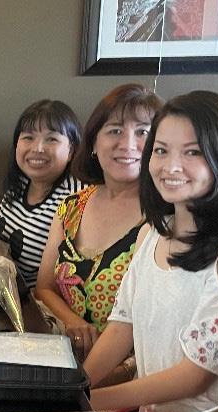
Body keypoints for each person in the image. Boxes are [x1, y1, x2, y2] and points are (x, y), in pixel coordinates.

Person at [83, 90, 218, 412]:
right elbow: (122, 326)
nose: (170, 166)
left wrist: (95, 400)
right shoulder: (152, 233)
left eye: (192, 152)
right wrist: (78, 386)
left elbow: (192, 378)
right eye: (161, 150)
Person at [35, 84, 163, 367]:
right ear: (93, 142)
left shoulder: (164, 218)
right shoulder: (72, 206)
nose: (128, 144)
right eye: (115, 130)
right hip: (68, 361)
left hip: (133, 375)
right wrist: (73, 322)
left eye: (143, 132)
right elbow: (44, 288)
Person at [0, 99, 84, 288]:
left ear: (71, 150)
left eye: (51, 139)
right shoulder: (20, 183)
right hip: (2, 292)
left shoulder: (75, 197)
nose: (37, 148)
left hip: (37, 302)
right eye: (28, 137)